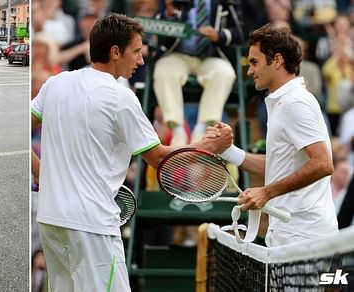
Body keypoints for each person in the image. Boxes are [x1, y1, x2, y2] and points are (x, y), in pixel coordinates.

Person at [31, 13, 232, 291]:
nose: (141, 60)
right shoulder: (121, 97)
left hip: (51, 221)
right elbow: (160, 158)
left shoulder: (56, 83)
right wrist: (208, 146)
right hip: (93, 226)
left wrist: (40, 170)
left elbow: (22, 129)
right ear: (116, 52)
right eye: (136, 51)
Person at [216, 23, 338, 247]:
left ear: (278, 60)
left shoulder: (296, 102)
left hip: (304, 238)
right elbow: (279, 166)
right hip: (291, 234)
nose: (250, 71)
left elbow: (323, 164)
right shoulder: (284, 102)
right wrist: (228, 151)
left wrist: (267, 192)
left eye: (254, 62)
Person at [153, 0, 244, 145]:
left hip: (211, 55)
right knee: (163, 69)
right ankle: (177, 130)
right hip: (178, 55)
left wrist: (219, 35)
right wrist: (169, 15)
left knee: (225, 72)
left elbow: (240, 32)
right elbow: (159, 33)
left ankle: (202, 131)